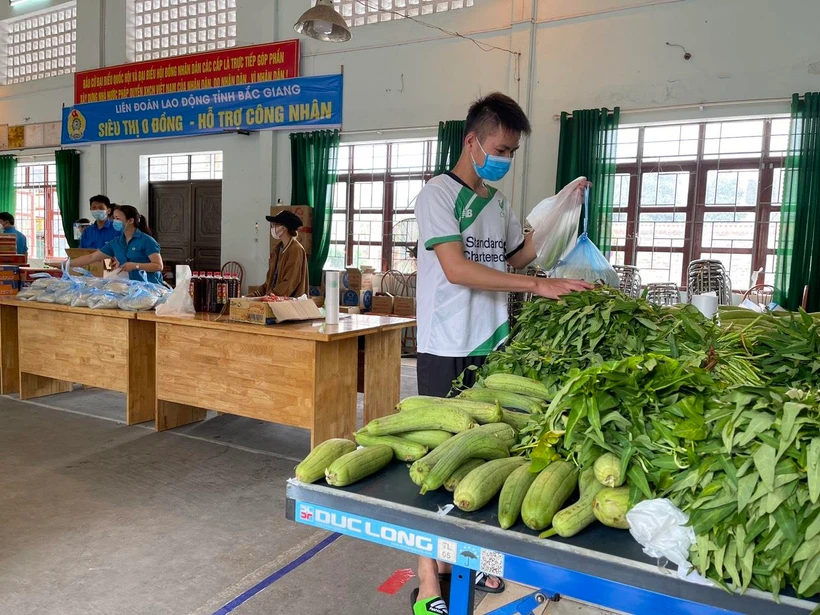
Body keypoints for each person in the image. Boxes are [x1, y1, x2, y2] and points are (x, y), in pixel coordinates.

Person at [411, 93, 592, 615]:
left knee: (489, 452)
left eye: (512, 151)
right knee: (437, 460)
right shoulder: (437, 195)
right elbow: (458, 269)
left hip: (493, 345)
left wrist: (562, 207)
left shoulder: (498, 203)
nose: (506, 159)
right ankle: (429, 580)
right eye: (500, 148)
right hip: (447, 344)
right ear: (472, 141)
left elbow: (522, 253)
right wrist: (539, 288)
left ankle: (471, 562)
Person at [69, 205, 164, 285]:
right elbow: (91, 257)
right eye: (114, 218)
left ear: (130, 221)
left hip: (150, 287)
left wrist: (136, 266)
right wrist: (65, 264)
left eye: (118, 219)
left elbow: (158, 266)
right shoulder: (116, 242)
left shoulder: (147, 240)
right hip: (129, 286)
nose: (114, 221)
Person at [251, 210, 308, 297]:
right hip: (275, 299)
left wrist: (271, 296)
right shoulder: (278, 249)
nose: (272, 228)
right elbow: (270, 281)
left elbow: (290, 282)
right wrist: (255, 295)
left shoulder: (296, 250)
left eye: (275, 225)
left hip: (287, 303)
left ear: (283, 228)